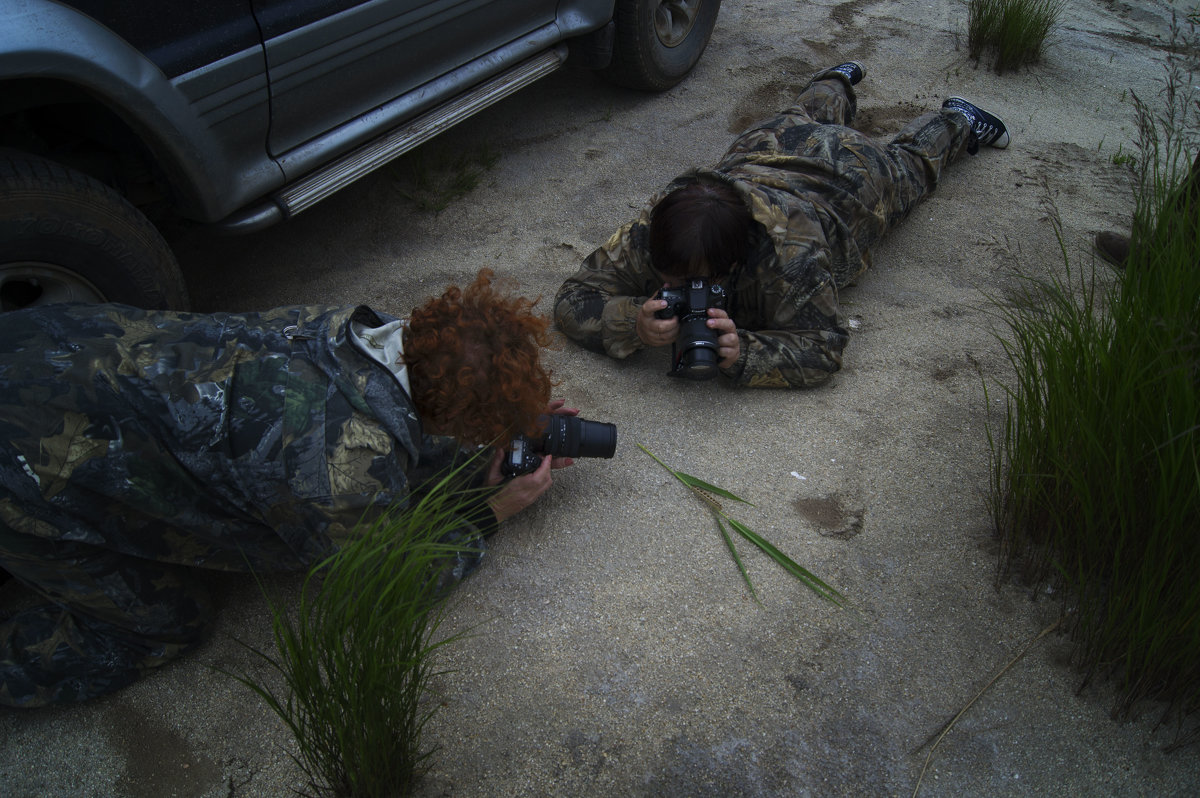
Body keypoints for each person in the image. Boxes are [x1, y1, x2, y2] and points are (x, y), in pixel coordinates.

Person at [0, 269, 574, 707]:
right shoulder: (339, 463)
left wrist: (483, 453)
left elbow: (398, 422)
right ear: (452, 413)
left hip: (39, 346)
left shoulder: (345, 331)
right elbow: (382, 581)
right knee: (166, 625)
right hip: (21, 468)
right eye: (478, 426)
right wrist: (489, 512)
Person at [554, 62, 1010, 388]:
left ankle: (960, 117)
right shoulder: (652, 231)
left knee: (911, 167)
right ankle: (835, 79)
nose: (684, 287)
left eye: (701, 280)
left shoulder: (793, 257)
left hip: (848, 182)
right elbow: (573, 298)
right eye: (673, 278)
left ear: (734, 259)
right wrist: (631, 321)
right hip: (764, 150)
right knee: (800, 119)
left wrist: (747, 353)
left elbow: (825, 348)